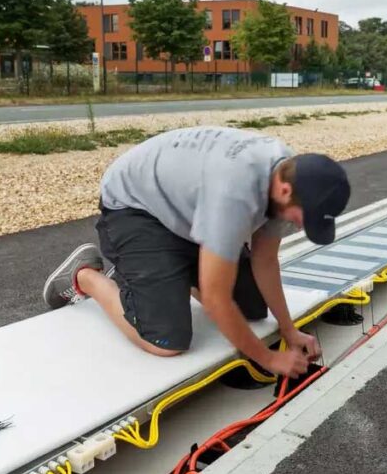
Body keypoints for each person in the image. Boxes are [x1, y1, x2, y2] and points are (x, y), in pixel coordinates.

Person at [41, 126, 351, 379]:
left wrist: (289, 330)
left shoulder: (286, 174)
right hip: (136, 209)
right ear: (284, 191)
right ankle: (87, 276)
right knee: (166, 341)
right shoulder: (235, 193)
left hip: (186, 212)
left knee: (252, 311)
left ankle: (154, 278)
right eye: (302, 218)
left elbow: (265, 260)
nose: (300, 226)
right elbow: (216, 299)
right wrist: (268, 359)